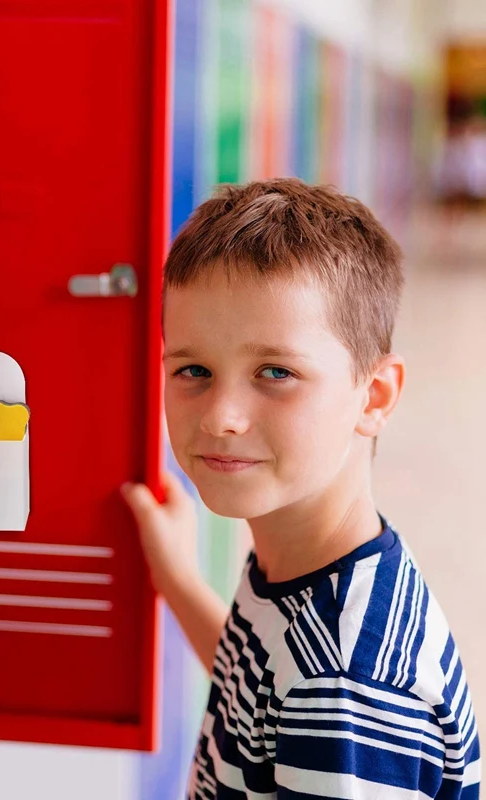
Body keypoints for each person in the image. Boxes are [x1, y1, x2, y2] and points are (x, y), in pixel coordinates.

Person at [121, 178, 481, 798]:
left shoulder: (346, 688)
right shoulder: (308, 568)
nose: (220, 416)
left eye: (276, 372)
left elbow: (306, 695)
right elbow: (261, 697)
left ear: (374, 397)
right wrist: (176, 580)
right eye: (194, 370)